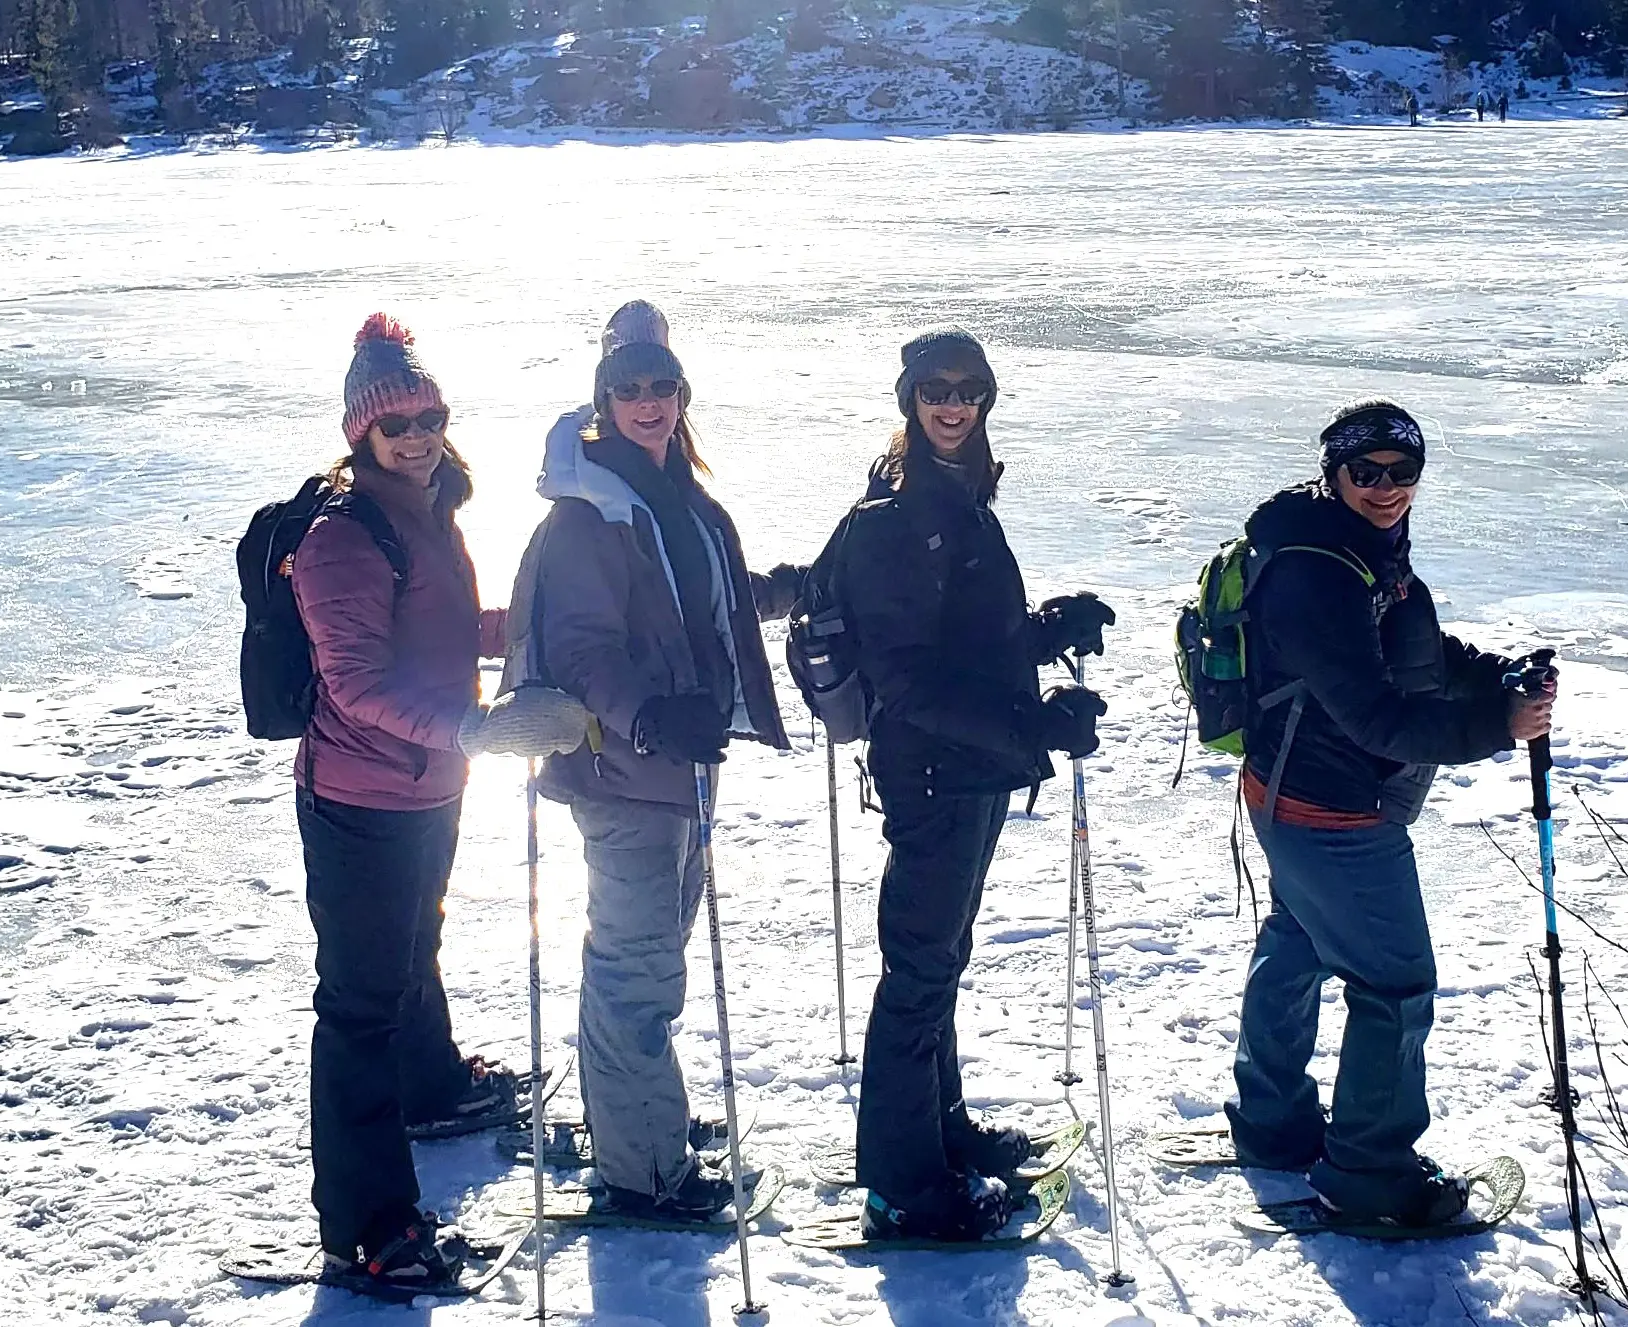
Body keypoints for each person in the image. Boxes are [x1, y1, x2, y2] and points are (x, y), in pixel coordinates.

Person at [290, 314, 586, 1294]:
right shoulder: (341, 539)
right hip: (361, 797)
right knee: (359, 1005)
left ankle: (433, 1085)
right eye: (395, 423)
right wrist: (475, 728)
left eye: (428, 415)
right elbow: (357, 682)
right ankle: (368, 1231)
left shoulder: (430, 516)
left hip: (427, 787)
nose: (416, 435)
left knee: (415, 949)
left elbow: (458, 628)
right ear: (359, 434)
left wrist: (546, 633)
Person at [1221, 399, 1555, 1226]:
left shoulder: (1359, 548)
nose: (1383, 487)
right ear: (1332, 472)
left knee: (1297, 942)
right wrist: (1496, 727)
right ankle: (1369, 1175)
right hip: (1329, 805)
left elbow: (1412, 649)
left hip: (1292, 790)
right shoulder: (1315, 571)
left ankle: (1273, 1124)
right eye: (1363, 472)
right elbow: (1373, 715)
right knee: (1394, 984)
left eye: (1400, 471)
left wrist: (1492, 674)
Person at [839, 330, 1113, 1241]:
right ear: (909, 402)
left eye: (967, 391)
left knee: (940, 960)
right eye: (933, 392)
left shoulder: (958, 498)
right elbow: (908, 676)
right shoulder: (896, 517)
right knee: (917, 970)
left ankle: (941, 1130)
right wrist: (1030, 723)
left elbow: (965, 640)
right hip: (932, 772)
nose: (951, 405)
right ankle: (903, 1181)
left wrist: (1041, 630)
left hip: (970, 767)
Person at [526, 330, 803, 1220]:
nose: (648, 400)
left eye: (663, 385)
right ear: (603, 401)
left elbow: (702, 604)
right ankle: (642, 1172)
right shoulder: (586, 513)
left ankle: (642, 1122)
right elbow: (581, 647)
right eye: (629, 387)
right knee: (634, 969)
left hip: (682, 766)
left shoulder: (676, 496)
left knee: (652, 962)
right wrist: (648, 715)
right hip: (623, 771)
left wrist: (795, 588)